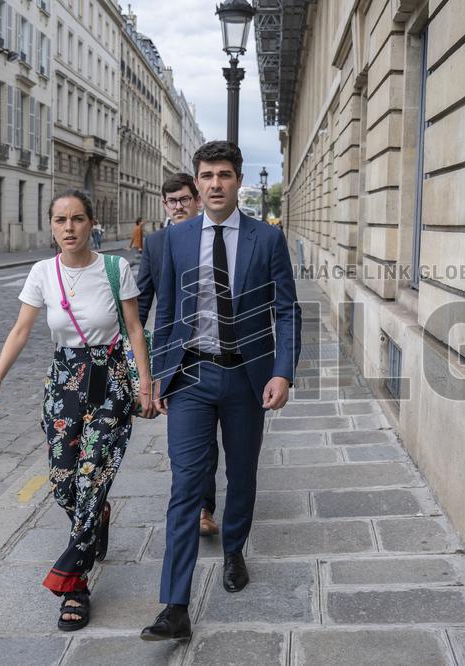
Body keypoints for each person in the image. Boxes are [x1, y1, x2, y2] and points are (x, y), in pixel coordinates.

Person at [140, 141, 301, 641]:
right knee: (186, 486)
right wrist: (158, 376)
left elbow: (288, 310)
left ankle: (234, 549)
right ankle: (175, 605)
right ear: (196, 180)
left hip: (245, 377)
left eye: (224, 175)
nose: (215, 184)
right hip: (189, 376)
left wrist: (283, 371)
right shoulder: (174, 240)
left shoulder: (266, 240)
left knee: (243, 472)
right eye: (207, 175)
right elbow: (164, 313)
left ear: (238, 181)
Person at [0, 189, 156, 632]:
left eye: (77, 219)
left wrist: (145, 383)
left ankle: (73, 585)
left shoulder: (115, 269)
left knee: (91, 473)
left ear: (91, 223)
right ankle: (98, 514)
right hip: (64, 383)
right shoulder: (42, 272)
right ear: (52, 226)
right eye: (61, 220)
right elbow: (21, 330)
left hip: (110, 380)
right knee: (62, 481)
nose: (69, 228)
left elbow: (134, 329)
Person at [136, 174, 221, 538]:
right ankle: (193, 501)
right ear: (164, 204)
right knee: (186, 442)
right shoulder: (155, 244)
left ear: (197, 200)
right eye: (171, 201)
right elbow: (141, 302)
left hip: (207, 351)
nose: (179, 206)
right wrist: (136, 356)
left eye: (185, 199)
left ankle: (204, 507)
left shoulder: (210, 238)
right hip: (172, 355)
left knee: (206, 438)